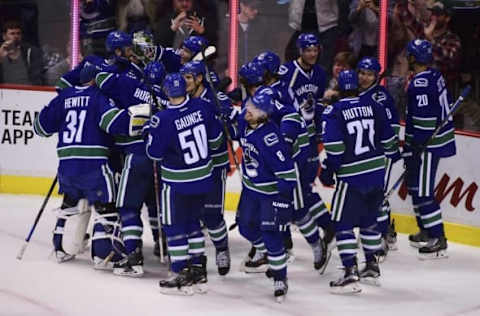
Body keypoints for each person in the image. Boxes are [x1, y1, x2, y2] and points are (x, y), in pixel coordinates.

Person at [319, 69, 400, 294]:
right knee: (369, 221)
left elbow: (335, 149)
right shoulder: (374, 105)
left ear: (340, 89)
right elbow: (387, 139)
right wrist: (394, 155)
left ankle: (349, 272)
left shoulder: (334, 112)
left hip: (351, 176)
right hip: (376, 172)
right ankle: (372, 266)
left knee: (343, 224)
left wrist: (327, 171)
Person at [33, 65, 119, 265]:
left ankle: (62, 247)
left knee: (70, 202)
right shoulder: (99, 97)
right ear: (97, 80)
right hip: (94, 164)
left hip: (67, 164)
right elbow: (114, 124)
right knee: (106, 204)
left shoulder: (64, 96)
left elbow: (40, 127)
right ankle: (102, 254)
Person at [146, 73, 223, 295]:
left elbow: (154, 154)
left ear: (167, 92)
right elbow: (216, 141)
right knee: (193, 223)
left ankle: (180, 273)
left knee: (174, 226)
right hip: (203, 179)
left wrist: (149, 132)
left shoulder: (163, 119)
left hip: (177, 183)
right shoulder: (203, 107)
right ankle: (198, 270)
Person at [95, 61, 168, 276]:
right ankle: (165, 247)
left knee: (128, 208)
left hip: (136, 156)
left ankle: (133, 257)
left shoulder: (132, 86)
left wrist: (115, 64)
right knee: (157, 206)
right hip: (163, 159)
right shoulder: (169, 99)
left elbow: (103, 80)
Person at [229, 89, 295, 302]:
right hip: (250, 190)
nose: (248, 110)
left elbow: (287, 172)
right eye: (249, 105)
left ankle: (280, 277)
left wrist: (283, 201)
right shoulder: (246, 122)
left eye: (254, 108)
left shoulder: (271, 138)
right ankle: (267, 252)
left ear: (265, 113)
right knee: (245, 227)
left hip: (269, 194)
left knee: (271, 234)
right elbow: (234, 126)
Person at [279, 33, 334, 251]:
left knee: (300, 188)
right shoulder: (288, 72)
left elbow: (318, 103)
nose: (312, 54)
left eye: (315, 50)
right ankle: (325, 225)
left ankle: (326, 226)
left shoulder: (320, 73)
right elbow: (282, 101)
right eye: (308, 50)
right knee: (288, 190)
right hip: (290, 139)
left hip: (308, 140)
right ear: (300, 50)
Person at [404, 39, 456, 259]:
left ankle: (439, 237)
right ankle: (425, 229)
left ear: (413, 58)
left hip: (427, 146)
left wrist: (415, 146)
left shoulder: (420, 84)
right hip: (431, 142)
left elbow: (425, 122)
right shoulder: (434, 75)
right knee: (415, 186)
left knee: (424, 191)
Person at [179, 61, 232, 275]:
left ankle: (221, 249)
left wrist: (225, 119)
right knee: (190, 215)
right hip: (191, 167)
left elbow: (232, 129)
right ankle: (194, 258)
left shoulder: (217, 100)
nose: (184, 82)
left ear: (200, 78)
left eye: (188, 78)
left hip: (214, 165)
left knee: (212, 216)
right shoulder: (180, 99)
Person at [357, 56, 400, 261]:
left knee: (377, 195)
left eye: (369, 74)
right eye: (362, 73)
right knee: (369, 195)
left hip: (380, 153)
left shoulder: (381, 97)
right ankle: (384, 230)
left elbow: (393, 126)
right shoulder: (356, 93)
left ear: (376, 76)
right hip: (364, 155)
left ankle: (381, 236)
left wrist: (388, 149)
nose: (364, 77)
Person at [285, 0, 339, 79]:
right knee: (294, 59)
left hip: (326, 25)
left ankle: (321, 87)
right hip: (300, 24)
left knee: (324, 65)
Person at [153, 0, 218, 49]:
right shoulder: (164, 21)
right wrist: (172, 29)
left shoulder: (205, 20)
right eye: (180, 0)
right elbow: (157, 46)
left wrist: (202, 31)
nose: (184, 4)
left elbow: (215, 46)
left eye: (188, 0)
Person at [0, 20, 44, 85]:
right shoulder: (1, 51)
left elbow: (37, 76)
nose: (16, 36)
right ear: (4, 36)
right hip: (5, 91)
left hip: (27, 90)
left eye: (18, 33)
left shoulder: (31, 51)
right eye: (12, 33)